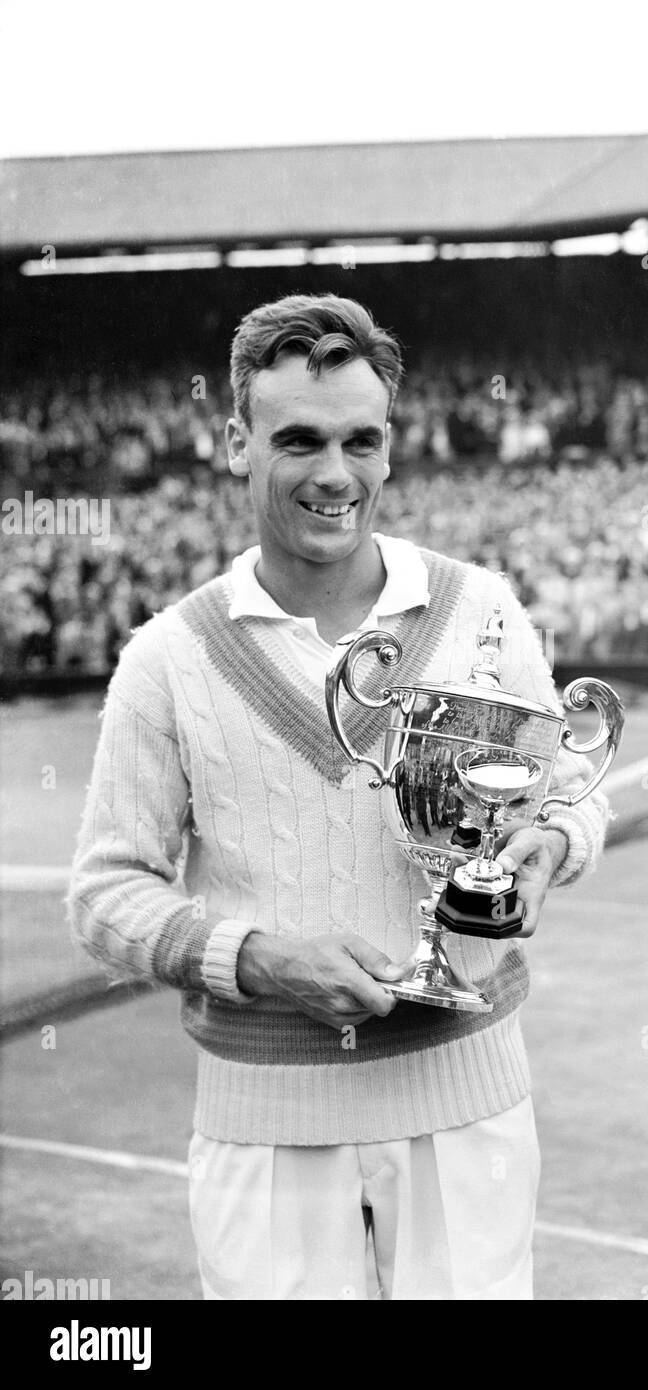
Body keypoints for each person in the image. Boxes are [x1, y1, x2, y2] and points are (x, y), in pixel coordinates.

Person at [68, 294, 609, 1301]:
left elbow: (568, 794)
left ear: (391, 446)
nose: (334, 473)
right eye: (299, 440)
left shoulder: (478, 606)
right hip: (262, 1115)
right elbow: (104, 894)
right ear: (237, 441)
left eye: (361, 440)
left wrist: (546, 846)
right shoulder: (167, 656)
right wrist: (260, 960)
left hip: (466, 1091)